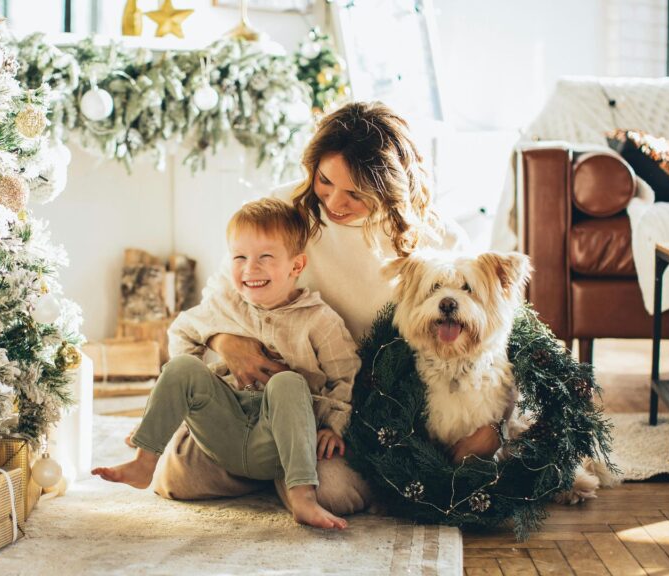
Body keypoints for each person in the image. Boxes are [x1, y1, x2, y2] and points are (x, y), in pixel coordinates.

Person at [151, 101, 502, 513]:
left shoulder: (435, 238)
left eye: (356, 192)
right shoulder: (286, 208)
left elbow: (485, 324)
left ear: (390, 188)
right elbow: (223, 292)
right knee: (175, 479)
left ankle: (283, 469)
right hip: (262, 396)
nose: (335, 201)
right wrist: (225, 340)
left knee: (334, 493)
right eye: (325, 180)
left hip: (348, 406)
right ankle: (272, 461)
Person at [93, 198, 360, 530]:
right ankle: (143, 461)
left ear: (296, 266)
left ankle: (302, 496)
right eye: (240, 257)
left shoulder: (318, 319)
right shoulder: (224, 305)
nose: (250, 269)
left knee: (288, 383)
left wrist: (333, 426)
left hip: (282, 437)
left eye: (265, 257)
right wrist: (185, 402)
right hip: (227, 423)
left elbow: (345, 374)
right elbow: (181, 332)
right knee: (181, 369)